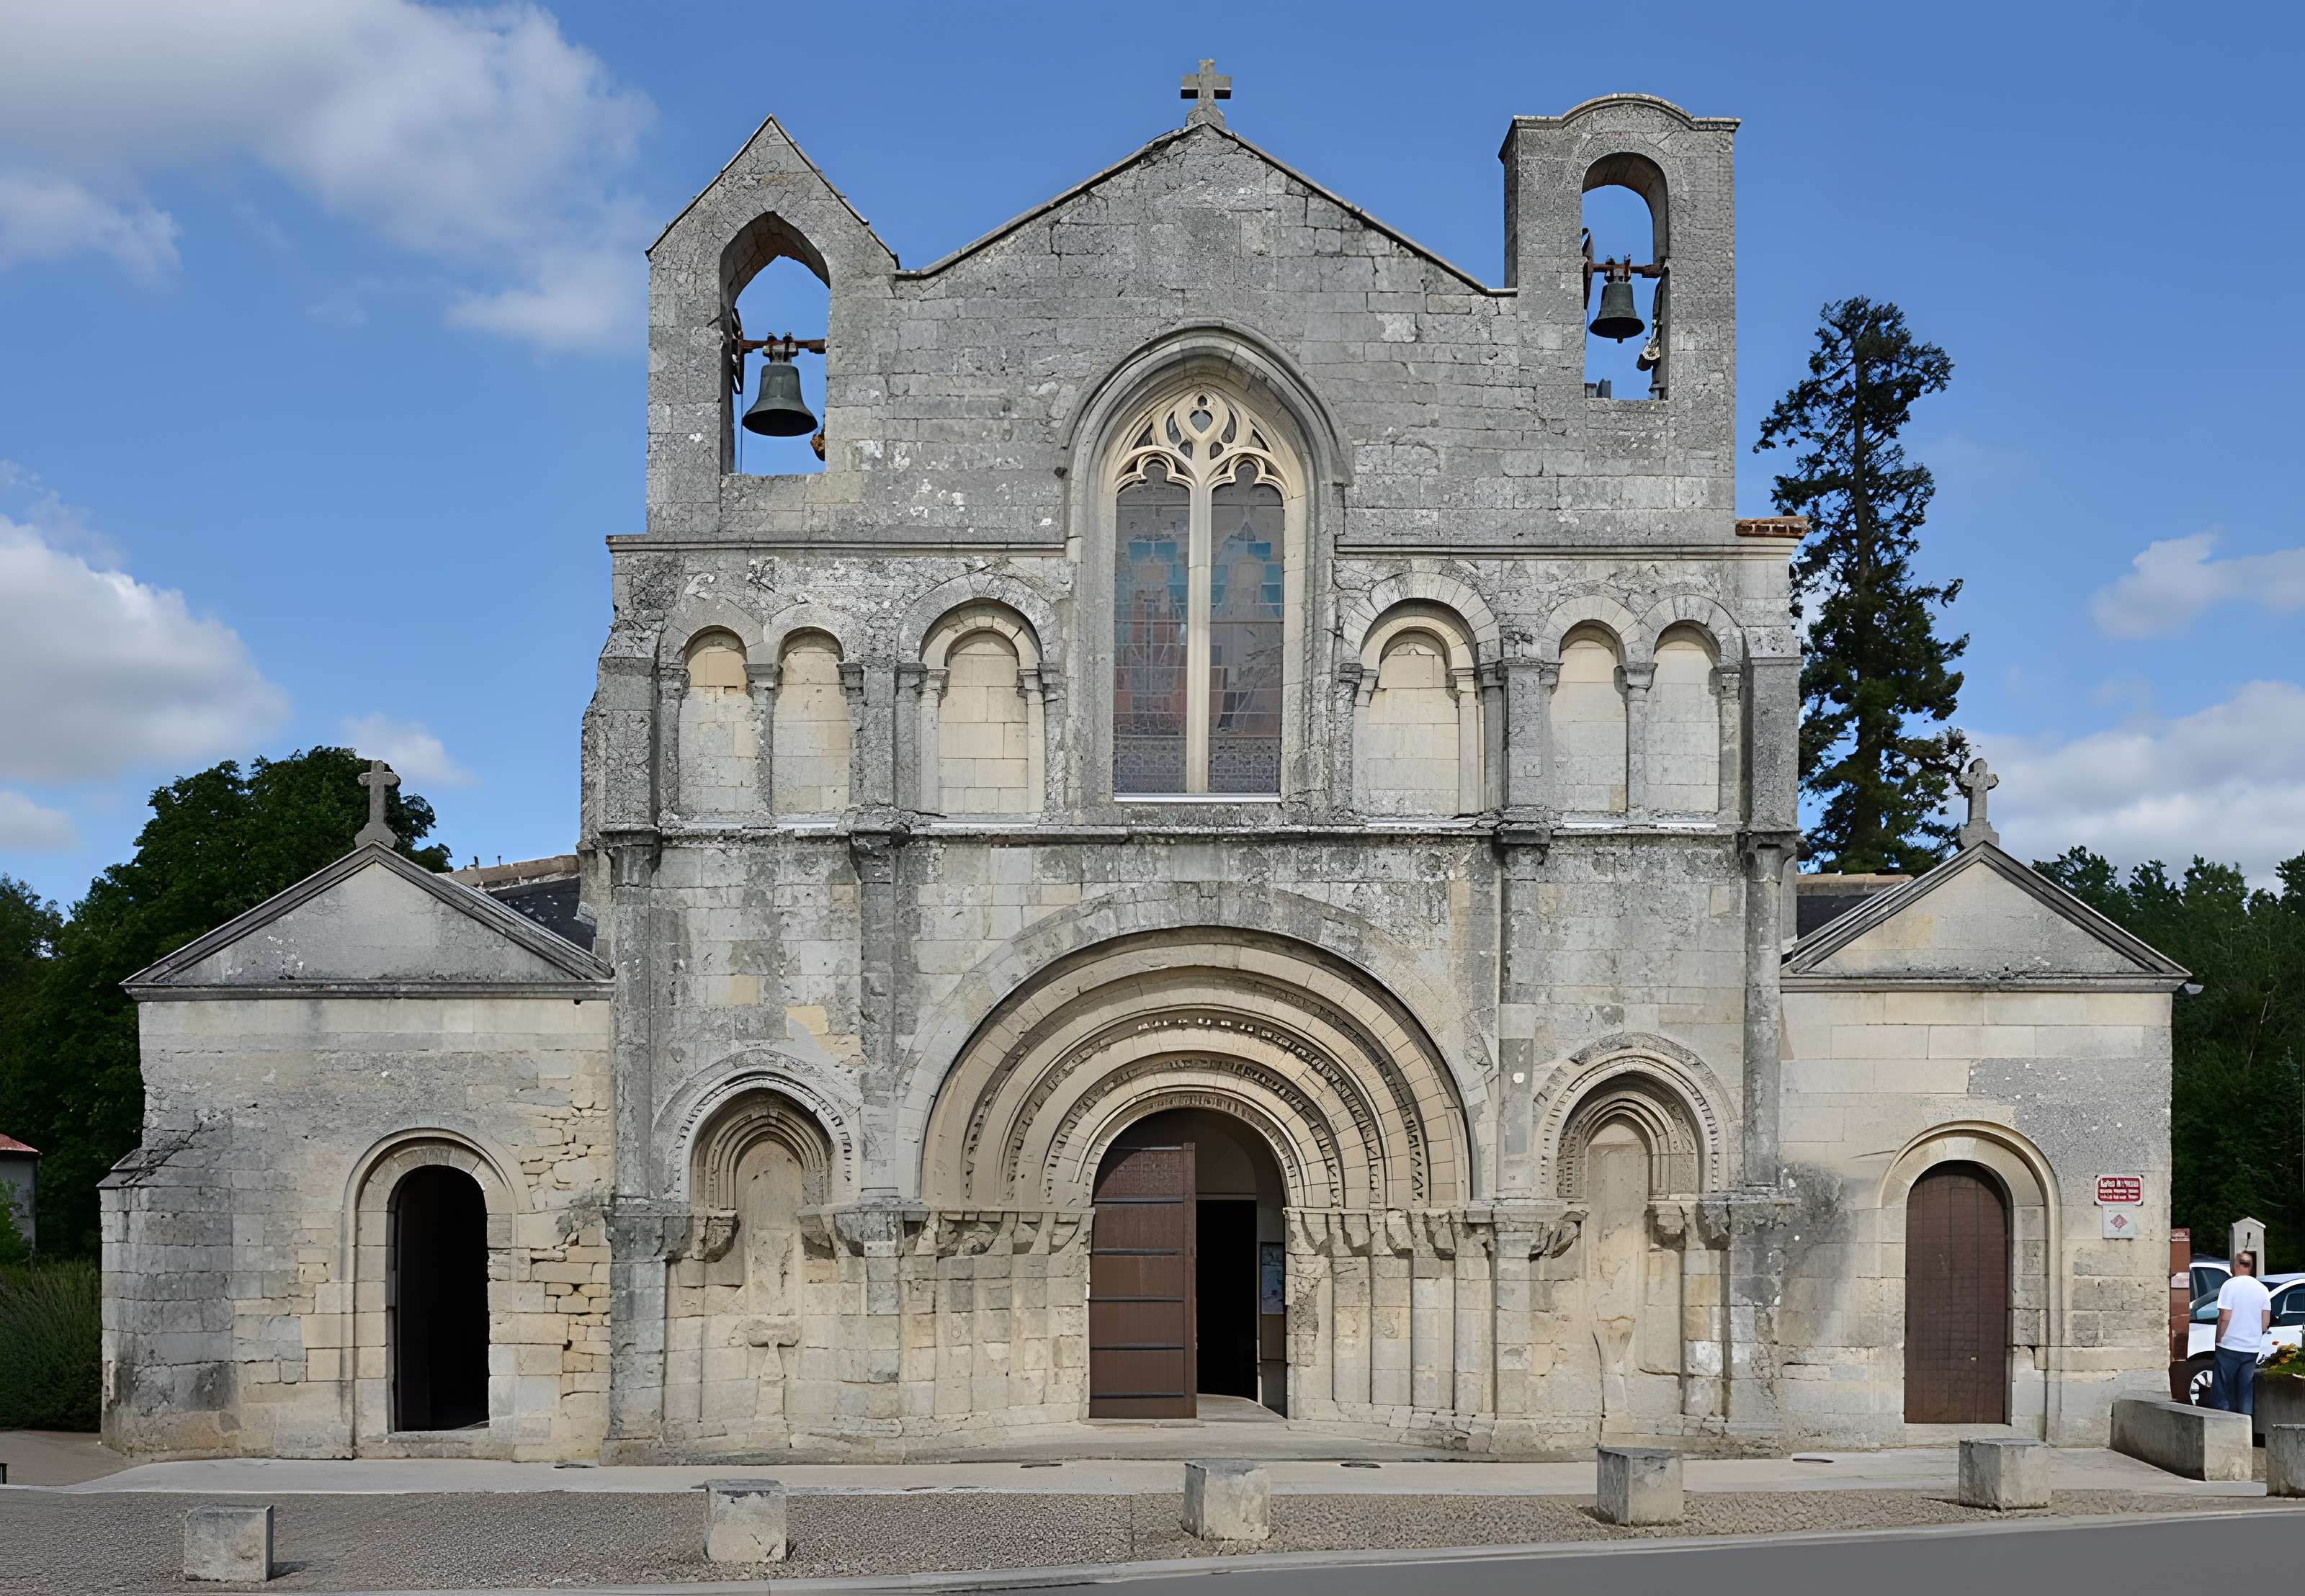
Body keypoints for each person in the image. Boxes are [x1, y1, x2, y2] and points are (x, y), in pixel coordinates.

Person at [2211, 1249, 2274, 1416]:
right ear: (2251, 1267)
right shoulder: (2262, 1289)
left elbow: (2224, 1317)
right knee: (2245, 1389)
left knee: (2223, 1390)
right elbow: (2265, 1323)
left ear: (2236, 1265)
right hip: (2251, 1348)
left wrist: (2218, 1339)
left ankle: (2223, 1424)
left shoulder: (2229, 1285)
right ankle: (2246, 1425)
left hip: (2229, 1346)